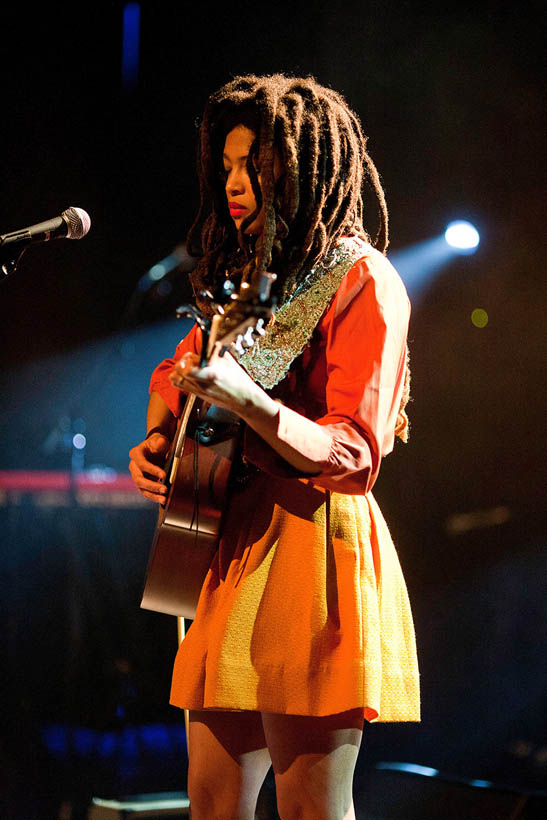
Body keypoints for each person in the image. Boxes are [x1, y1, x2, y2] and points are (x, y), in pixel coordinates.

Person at [129, 73, 420, 820]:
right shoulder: (254, 286)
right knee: (210, 804)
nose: (233, 183)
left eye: (253, 165)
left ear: (304, 167)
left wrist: (250, 404)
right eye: (224, 165)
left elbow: (352, 451)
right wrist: (161, 438)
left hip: (310, 546)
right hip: (231, 548)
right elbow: (179, 370)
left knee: (311, 809)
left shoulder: (363, 279)